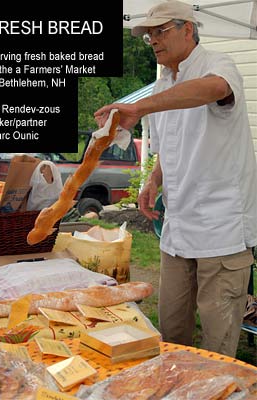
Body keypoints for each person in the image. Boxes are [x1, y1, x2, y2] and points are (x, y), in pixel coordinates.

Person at [94, 0, 257, 357]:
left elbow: (214, 89)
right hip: (178, 227)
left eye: (160, 31)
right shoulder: (162, 82)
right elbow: (173, 142)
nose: (152, 40)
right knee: (172, 333)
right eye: (148, 34)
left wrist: (138, 108)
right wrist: (154, 179)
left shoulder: (219, 64)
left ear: (188, 29)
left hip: (222, 231)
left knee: (217, 345)